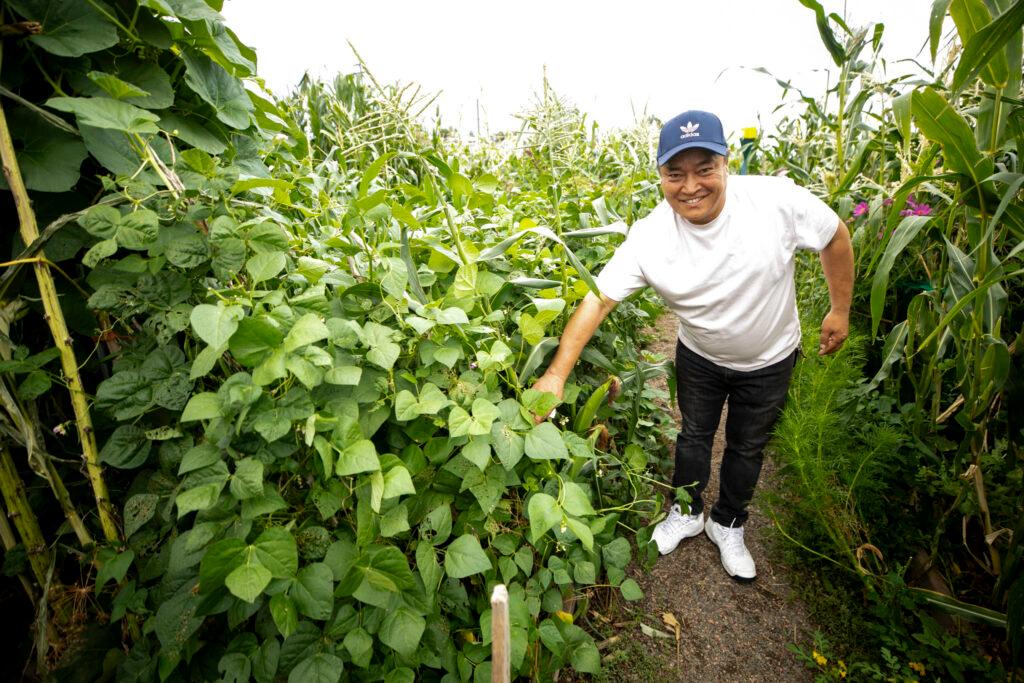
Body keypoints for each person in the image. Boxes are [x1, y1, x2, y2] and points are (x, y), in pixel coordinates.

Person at [531, 110, 854, 583]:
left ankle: (729, 522)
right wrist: (555, 374)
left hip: (770, 360)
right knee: (694, 438)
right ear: (659, 175)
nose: (690, 186)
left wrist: (839, 310)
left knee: (747, 447)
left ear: (727, 163)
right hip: (700, 357)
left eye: (705, 168)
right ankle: (686, 511)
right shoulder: (650, 238)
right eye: (675, 173)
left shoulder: (775, 202)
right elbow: (597, 301)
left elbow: (835, 236)